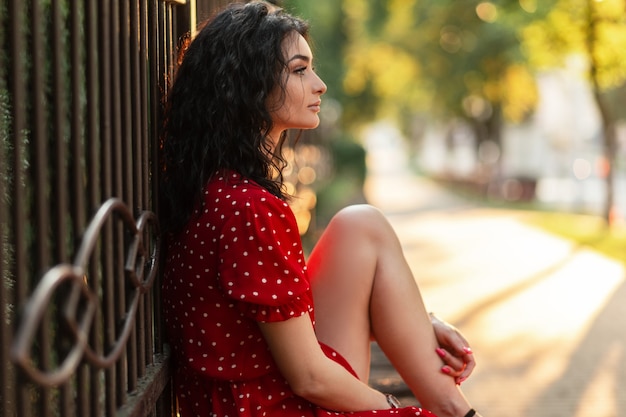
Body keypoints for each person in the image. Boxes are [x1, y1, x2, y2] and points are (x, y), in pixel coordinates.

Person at [159, 2, 483, 416]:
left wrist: (419, 322)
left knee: (361, 224)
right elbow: (309, 377)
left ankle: (459, 412)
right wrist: (397, 410)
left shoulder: (220, 190)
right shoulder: (248, 207)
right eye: (299, 70)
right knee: (364, 225)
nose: (320, 84)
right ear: (248, 84)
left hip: (249, 398)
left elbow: (285, 309)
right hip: (271, 407)